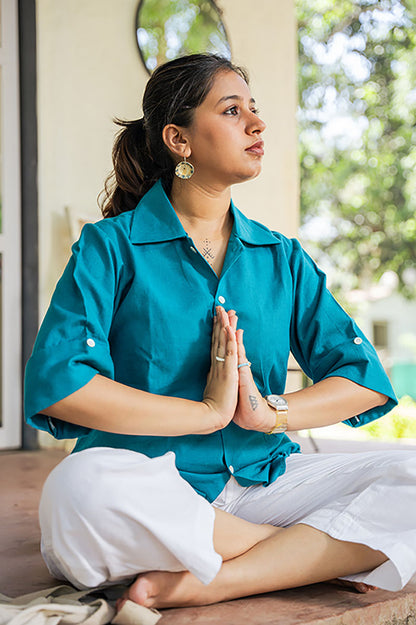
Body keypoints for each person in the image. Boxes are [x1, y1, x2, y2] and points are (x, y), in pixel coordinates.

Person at [25, 53, 416, 611]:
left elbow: (365, 381)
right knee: (77, 491)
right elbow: (63, 385)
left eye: (254, 110)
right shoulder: (110, 247)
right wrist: (205, 413)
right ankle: (303, 556)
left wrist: (270, 413)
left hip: (268, 482)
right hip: (153, 485)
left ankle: (212, 579)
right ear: (178, 140)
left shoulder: (281, 257)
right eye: (233, 111)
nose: (257, 124)